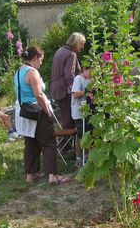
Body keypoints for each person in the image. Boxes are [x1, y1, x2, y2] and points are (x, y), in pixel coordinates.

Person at [15, 46, 70, 184]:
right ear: (34, 58)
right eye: (41, 60)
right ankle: (53, 175)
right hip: (36, 110)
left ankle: (31, 174)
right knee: (48, 141)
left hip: (23, 111)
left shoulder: (18, 71)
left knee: (31, 143)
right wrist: (47, 111)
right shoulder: (32, 72)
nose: (41, 63)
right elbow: (38, 94)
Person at [49, 32, 86, 130]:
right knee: (69, 120)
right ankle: (65, 144)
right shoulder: (71, 54)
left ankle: (64, 143)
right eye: (81, 44)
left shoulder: (60, 50)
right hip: (65, 90)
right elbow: (69, 75)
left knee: (65, 119)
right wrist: (76, 90)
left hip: (56, 89)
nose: (82, 47)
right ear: (75, 42)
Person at [71, 66, 92, 169]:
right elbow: (75, 94)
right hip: (79, 112)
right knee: (80, 136)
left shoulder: (89, 80)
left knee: (87, 134)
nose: (92, 74)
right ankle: (78, 159)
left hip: (87, 112)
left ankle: (86, 156)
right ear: (84, 69)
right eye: (90, 71)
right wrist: (86, 92)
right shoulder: (78, 79)